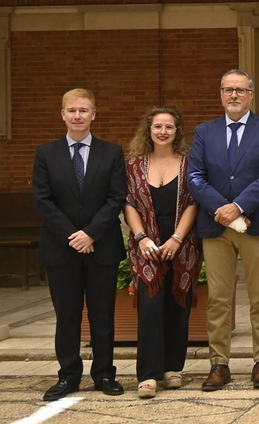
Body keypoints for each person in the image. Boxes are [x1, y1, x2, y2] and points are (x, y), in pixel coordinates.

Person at [187, 69, 259, 392]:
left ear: (251, 95)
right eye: (228, 90)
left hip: (258, 225)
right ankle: (219, 364)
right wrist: (224, 210)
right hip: (216, 227)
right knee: (217, 299)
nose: (234, 96)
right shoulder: (205, 131)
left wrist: (239, 206)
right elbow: (195, 176)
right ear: (220, 94)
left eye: (240, 90)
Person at [33, 88, 129, 401]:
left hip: (101, 247)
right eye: (72, 110)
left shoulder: (111, 152)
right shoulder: (46, 154)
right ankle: (68, 376)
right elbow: (43, 200)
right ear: (62, 114)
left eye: (84, 110)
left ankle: (104, 374)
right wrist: (73, 236)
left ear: (93, 115)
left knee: (103, 316)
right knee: (68, 316)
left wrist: (91, 233)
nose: (78, 116)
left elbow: (116, 197)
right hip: (61, 249)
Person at [123, 107, 202, 399]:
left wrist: (177, 239)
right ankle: (148, 374)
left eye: (169, 127)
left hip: (183, 245)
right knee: (150, 305)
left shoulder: (189, 164)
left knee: (178, 305)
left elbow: (194, 202)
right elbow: (129, 202)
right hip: (146, 246)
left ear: (177, 131)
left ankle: (173, 368)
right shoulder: (133, 165)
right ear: (149, 130)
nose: (163, 132)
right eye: (158, 126)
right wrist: (141, 237)